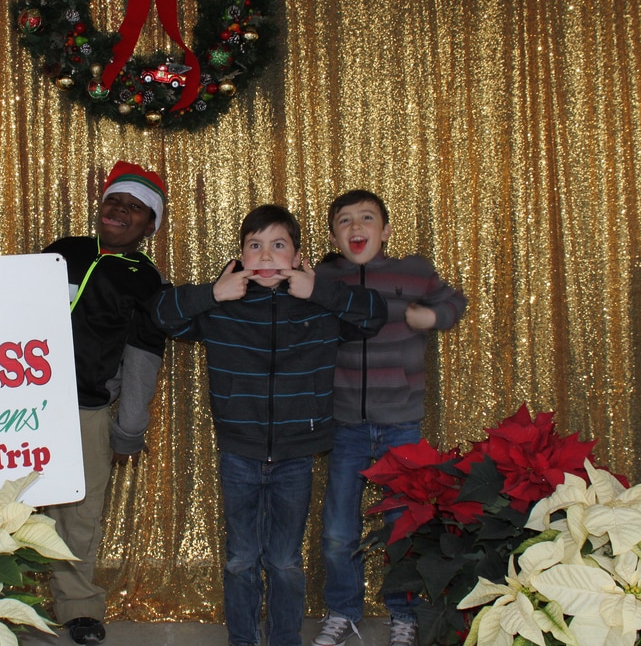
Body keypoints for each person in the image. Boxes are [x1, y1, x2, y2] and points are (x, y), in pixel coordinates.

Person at [148, 204, 387, 646]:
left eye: (278, 245)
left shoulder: (319, 308)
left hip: (296, 455)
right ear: (241, 256)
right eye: (254, 246)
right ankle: (243, 639)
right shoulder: (225, 306)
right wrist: (213, 293)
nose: (265, 256)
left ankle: (284, 639)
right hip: (239, 451)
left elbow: (375, 314)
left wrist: (319, 290)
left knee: (284, 561)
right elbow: (161, 314)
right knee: (240, 558)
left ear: (297, 256)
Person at [311, 189, 468, 646]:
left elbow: (455, 302)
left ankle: (405, 615)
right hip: (345, 426)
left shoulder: (413, 271)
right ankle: (343, 611)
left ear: (385, 231)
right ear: (334, 236)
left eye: (366, 218)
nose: (356, 227)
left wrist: (431, 317)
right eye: (344, 221)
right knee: (338, 531)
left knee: (403, 526)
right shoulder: (326, 279)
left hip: (401, 425)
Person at [42, 160, 170, 645]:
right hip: (19, 404)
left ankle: (78, 607)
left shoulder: (146, 280)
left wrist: (129, 429)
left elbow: (142, 358)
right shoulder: (62, 252)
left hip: (86, 409)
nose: (119, 210)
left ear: (150, 225)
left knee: (78, 514)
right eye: (113, 200)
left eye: (134, 207)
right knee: (1, 499)